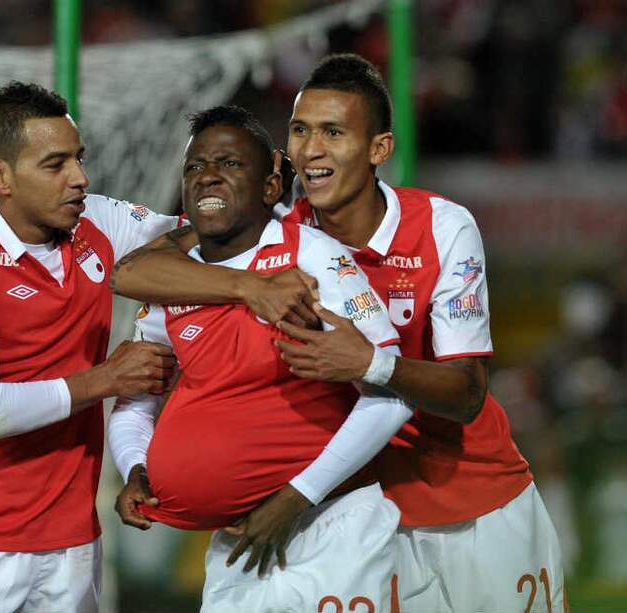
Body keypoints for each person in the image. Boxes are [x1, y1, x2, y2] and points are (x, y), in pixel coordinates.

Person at [111, 55, 567, 612]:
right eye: (301, 131)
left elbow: (467, 394)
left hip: (471, 499)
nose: (312, 150)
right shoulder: (271, 229)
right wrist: (248, 289)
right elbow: (134, 270)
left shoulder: (441, 227)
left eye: (333, 132)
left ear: (379, 148)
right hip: (347, 510)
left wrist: (370, 363)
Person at [109, 105, 413, 612]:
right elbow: (137, 401)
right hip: (234, 545)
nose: (207, 175)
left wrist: (296, 498)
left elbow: (392, 393)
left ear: (272, 185)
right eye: (195, 166)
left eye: (230, 164)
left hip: (330, 528)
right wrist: (134, 467)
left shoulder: (312, 258)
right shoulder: (171, 284)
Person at [0, 81, 183, 613]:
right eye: (55, 165)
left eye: (78, 159)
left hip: (72, 544)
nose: (80, 178)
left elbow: (211, 237)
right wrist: (108, 379)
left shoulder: (98, 222)